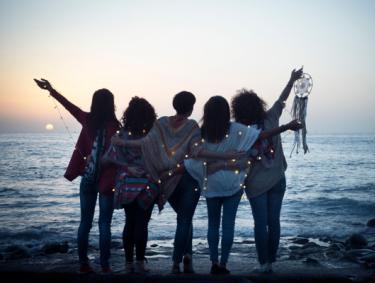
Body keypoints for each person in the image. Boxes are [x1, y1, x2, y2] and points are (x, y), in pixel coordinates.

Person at [111, 91, 242, 274]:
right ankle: (181, 260)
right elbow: (197, 152)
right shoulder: (192, 126)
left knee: (183, 220)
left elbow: (145, 143)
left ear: (175, 104)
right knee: (185, 220)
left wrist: (121, 142)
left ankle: (177, 263)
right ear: (191, 108)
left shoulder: (162, 123)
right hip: (188, 178)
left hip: (168, 180)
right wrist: (225, 155)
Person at [184, 96, 302, 274]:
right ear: (226, 113)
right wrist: (286, 127)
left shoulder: (202, 132)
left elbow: (195, 154)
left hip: (213, 184)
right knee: (229, 225)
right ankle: (224, 264)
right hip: (233, 184)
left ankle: (214, 262)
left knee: (213, 224)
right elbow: (261, 135)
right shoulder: (236, 129)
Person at [34, 78, 120, 273]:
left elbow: (69, 106)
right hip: (107, 181)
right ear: (111, 104)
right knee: (104, 223)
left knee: (85, 222)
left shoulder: (87, 119)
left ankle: (83, 264)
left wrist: (51, 90)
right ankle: (105, 266)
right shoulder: (116, 126)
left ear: (94, 103)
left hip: (88, 178)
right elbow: (119, 155)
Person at [230, 67, 303, 273]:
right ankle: (271, 261)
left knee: (260, 224)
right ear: (258, 106)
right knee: (274, 221)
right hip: (278, 178)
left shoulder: (239, 131)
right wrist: (291, 80)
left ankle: (264, 264)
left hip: (255, 184)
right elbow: (282, 99)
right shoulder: (271, 118)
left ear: (238, 110)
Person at [102, 97, 157, 273]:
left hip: (126, 184)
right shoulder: (152, 136)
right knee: (142, 223)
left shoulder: (121, 135)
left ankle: (128, 263)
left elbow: (108, 158)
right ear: (149, 115)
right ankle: (140, 263)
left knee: (130, 222)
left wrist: (126, 167)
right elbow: (158, 159)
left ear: (128, 115)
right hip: (147, 184)